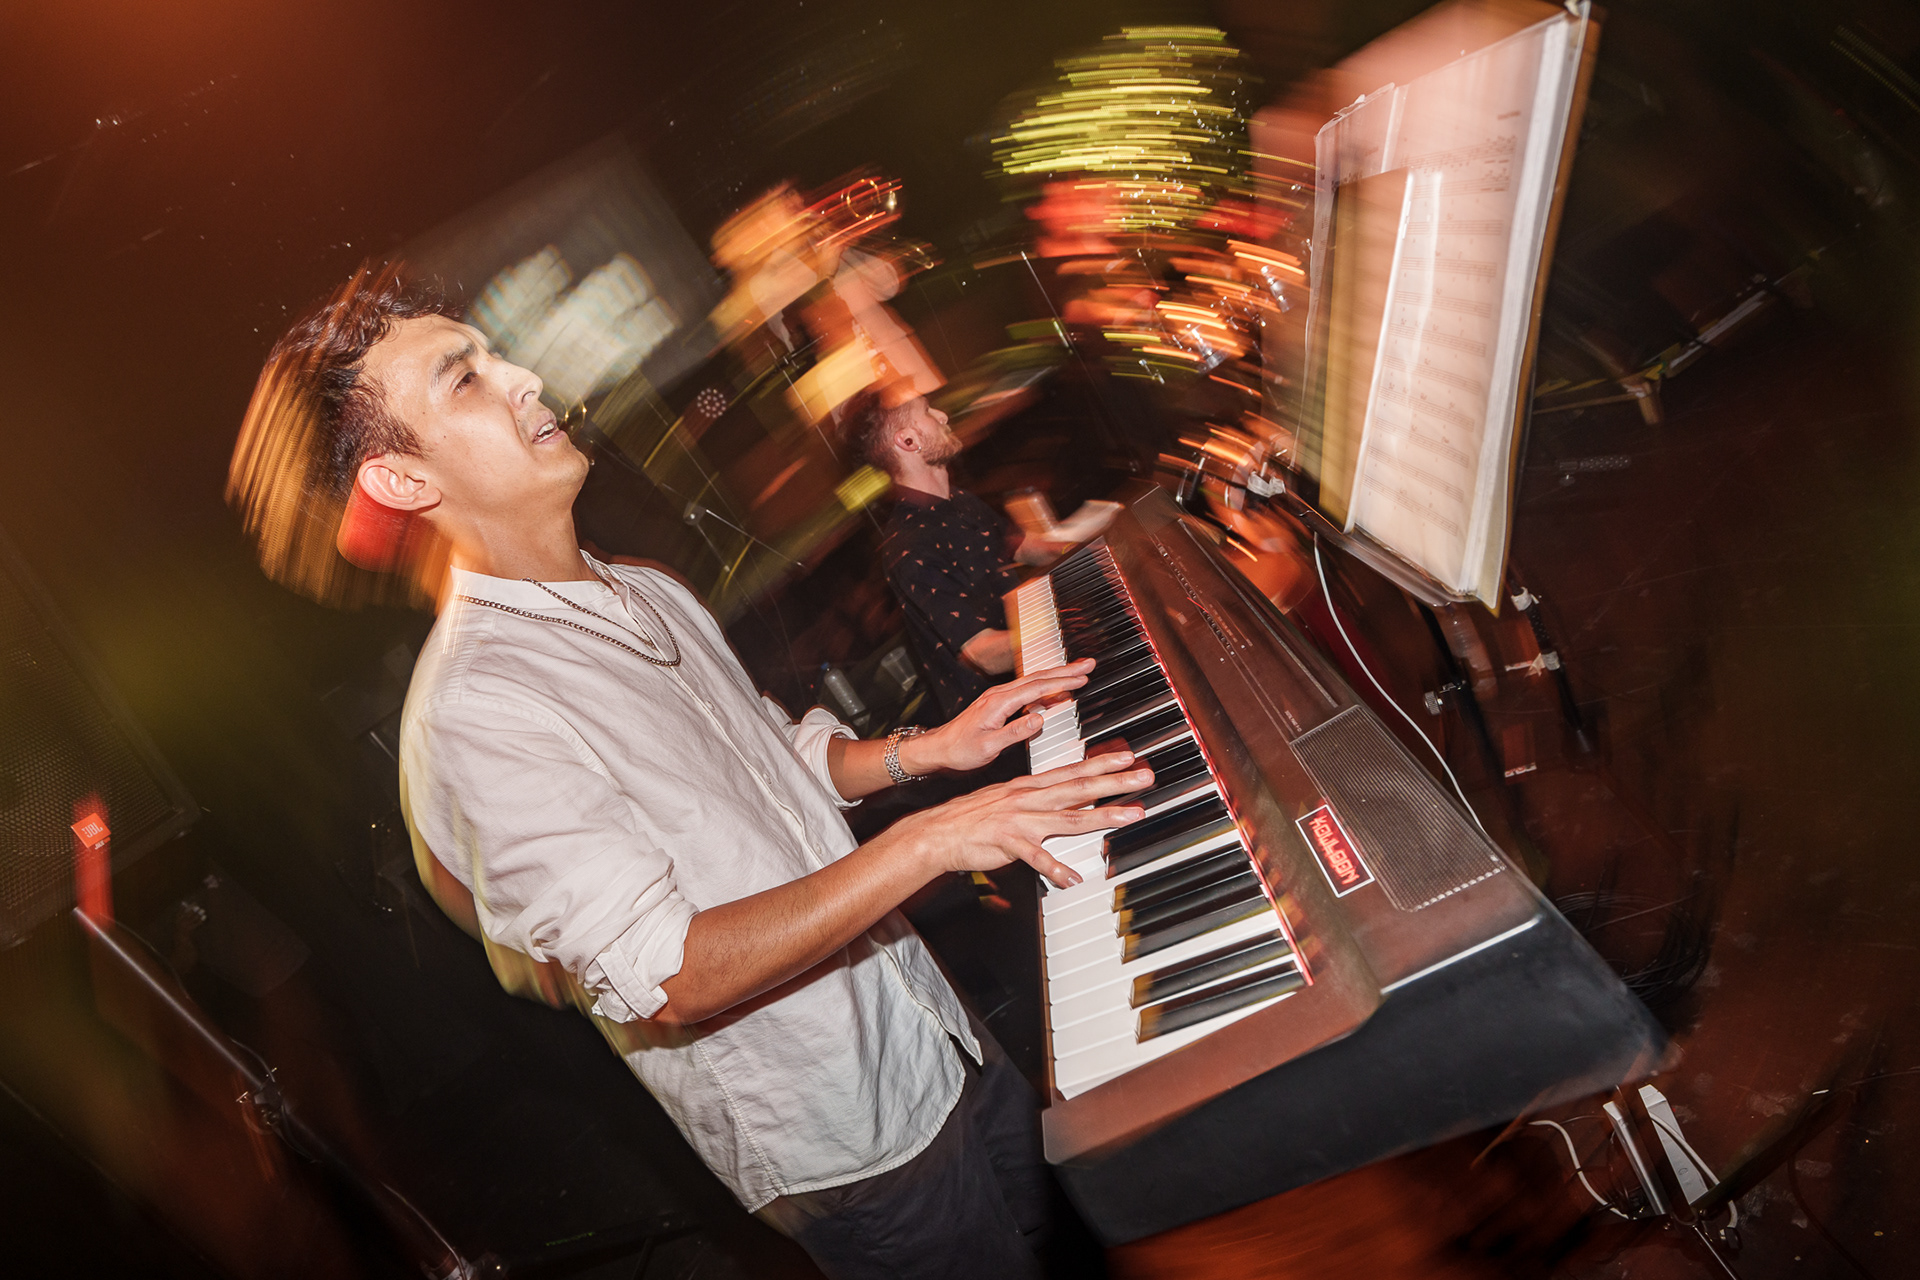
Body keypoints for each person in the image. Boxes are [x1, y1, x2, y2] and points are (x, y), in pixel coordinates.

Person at [226, 267, 1154, 1280]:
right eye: (466, 378)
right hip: (855, 1136)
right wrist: (930, 837)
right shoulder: (476, 712)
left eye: (495, 354)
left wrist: (924, 750)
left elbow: (773, 757)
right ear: (404, 481)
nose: (524, 376)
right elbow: (668, 973)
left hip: (930, 1018)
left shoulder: (646, 589)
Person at [846, 390, 1085, 718]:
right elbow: (984, 653)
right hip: (1004, 719)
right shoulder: (909, 549)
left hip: (1038, 672)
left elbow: (1024, 547)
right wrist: (1068, 624)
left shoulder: (957, 500)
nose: (942, 416)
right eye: (927, 411)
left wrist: (1097, 548)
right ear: (909, 441)